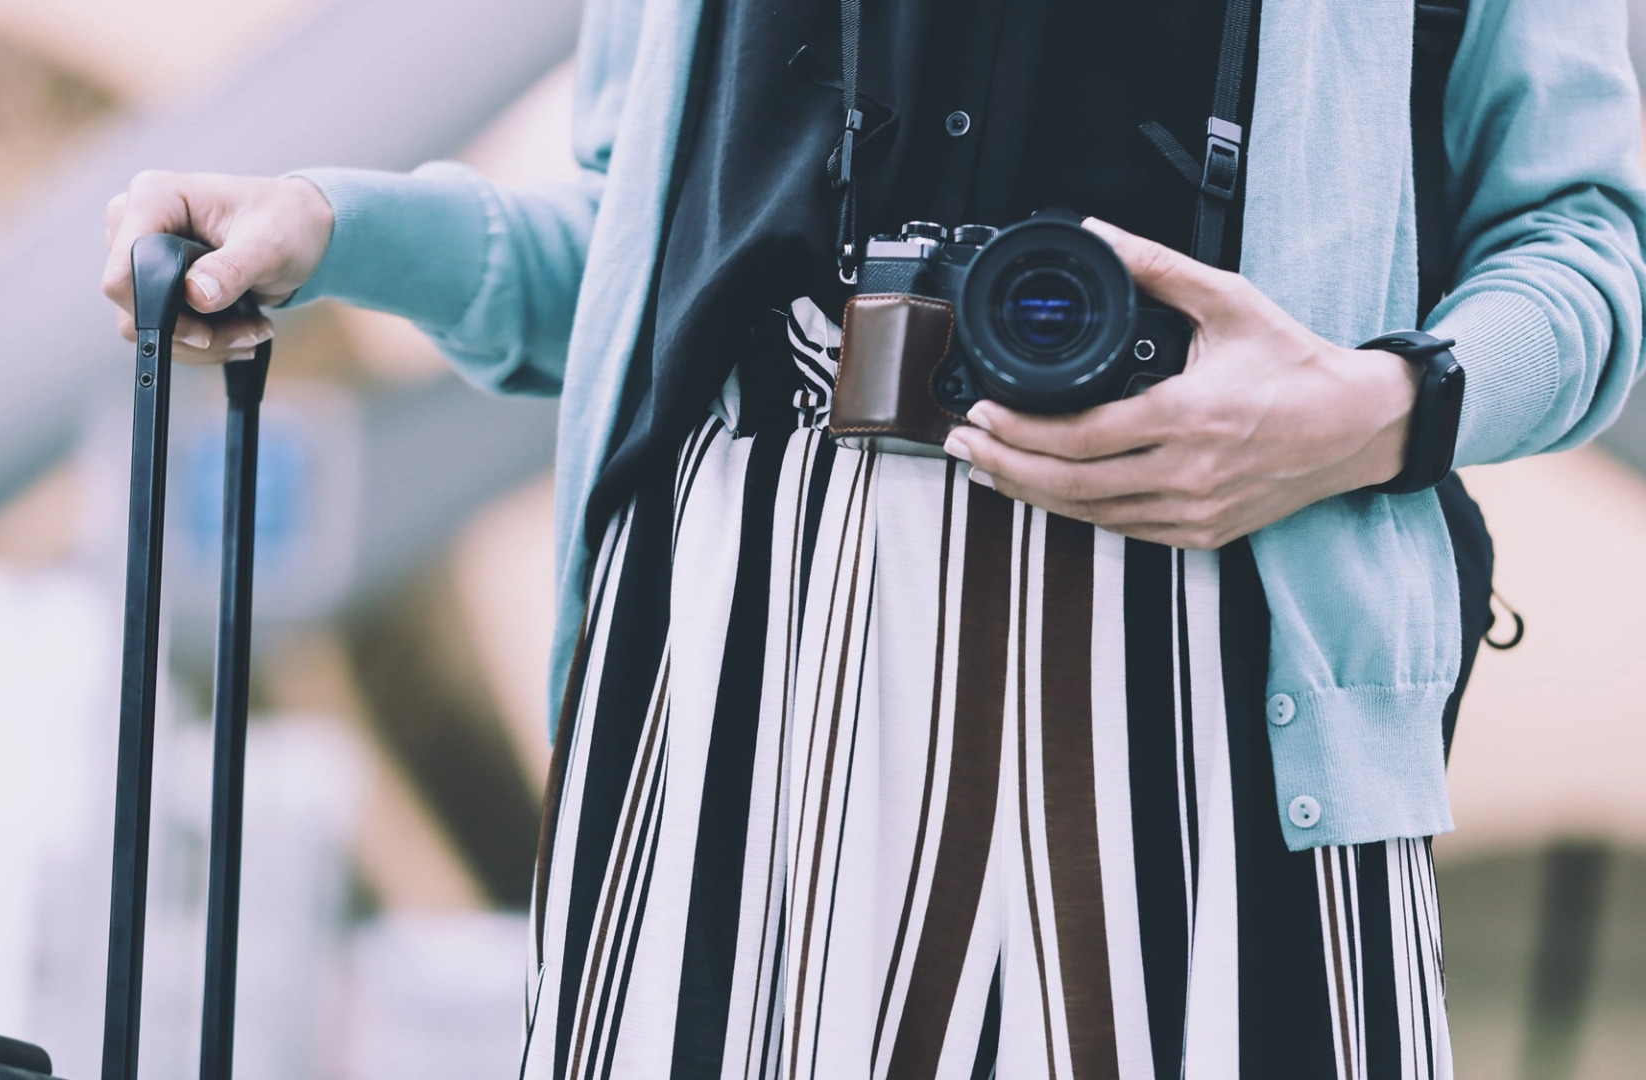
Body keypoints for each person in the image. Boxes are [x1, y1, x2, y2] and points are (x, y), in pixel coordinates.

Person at [100, 0, 1646, 1074]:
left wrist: (1369, 409)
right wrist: (330, 225)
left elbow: (1588, 252)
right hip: (736, 660)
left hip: (1229, 665)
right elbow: (647, 260)